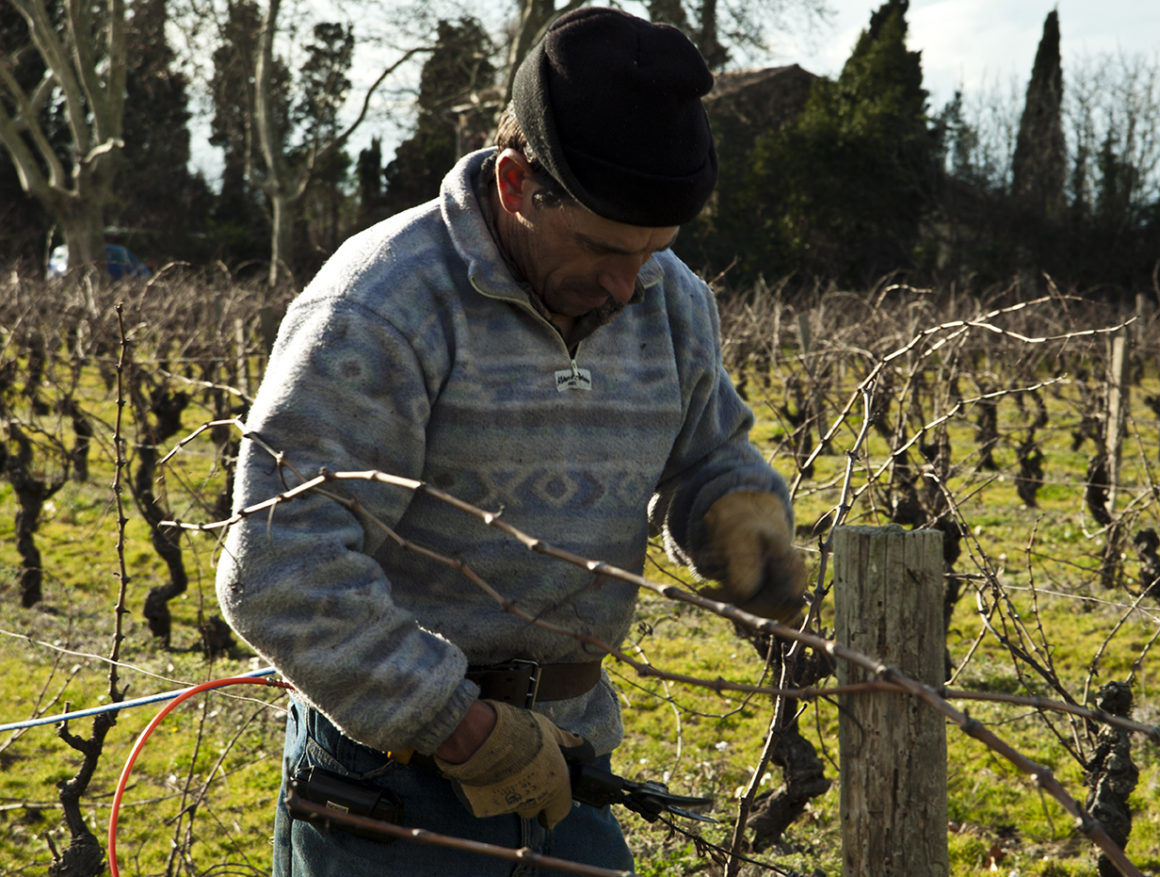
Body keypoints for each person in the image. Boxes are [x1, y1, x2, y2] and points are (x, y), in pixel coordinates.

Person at [216, 7, 807, 875]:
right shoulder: (379, 307)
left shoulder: (666, 297)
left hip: (569, 767)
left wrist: (740, 522)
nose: (626, 283)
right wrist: (459, 725)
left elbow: (707, 454)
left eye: (654, 251)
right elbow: (278, 569)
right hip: (388, 789)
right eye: (604, 248)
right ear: (514, 184)